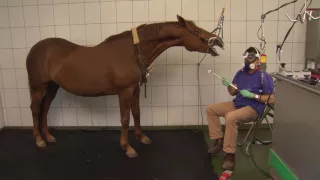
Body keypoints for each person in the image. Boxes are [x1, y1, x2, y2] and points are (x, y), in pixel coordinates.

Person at [206, 46, 275, 170]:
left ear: (258, 60)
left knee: (231, 117)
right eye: (246, 57)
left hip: (253, 108)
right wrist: (229, 85)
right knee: (211, 109)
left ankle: (230, 154)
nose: (248, 61)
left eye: (251, 58)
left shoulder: (264, 76)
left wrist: (253, 95)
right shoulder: (240, 73)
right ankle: (219, 141)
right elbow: (233, 92)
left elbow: (271, 99)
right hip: (237, 105)